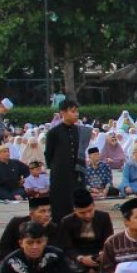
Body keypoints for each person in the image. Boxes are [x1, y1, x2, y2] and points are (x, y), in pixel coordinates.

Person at [45, 98, 91, 230]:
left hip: (77, 174)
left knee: (78, 201)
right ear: (62, 113)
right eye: (72, 111)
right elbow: (49, 154)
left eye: (77, 111)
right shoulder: (53, 132)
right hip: (60, 175)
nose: (76, 114)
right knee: (61, 203)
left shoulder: (80, 131)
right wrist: (58, 167)